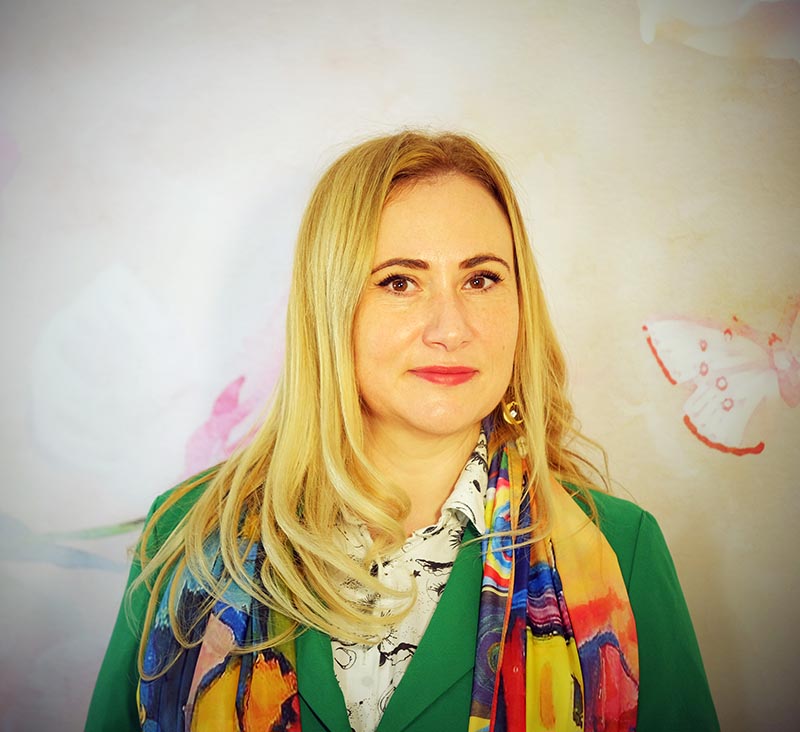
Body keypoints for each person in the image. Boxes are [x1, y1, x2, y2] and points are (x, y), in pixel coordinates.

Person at [85, 130, 719, 731]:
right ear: (330, 308)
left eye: (481, 279)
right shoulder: (188, 537)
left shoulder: (620, 551)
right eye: (399, 282)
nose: (450, 328)